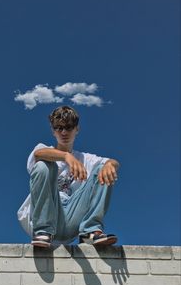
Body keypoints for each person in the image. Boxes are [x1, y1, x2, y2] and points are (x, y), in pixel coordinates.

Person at [18, 105, 120, 248]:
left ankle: (89, 232)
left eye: (69, 127)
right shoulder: (42, 149)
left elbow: (112, 162)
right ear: (53, 131)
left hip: (72, 219)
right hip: (47, 217)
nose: (64, 132)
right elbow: (38, 155)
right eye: (59, 128)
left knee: (102, 169)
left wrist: (110, 165)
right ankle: (43, 231)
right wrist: (66, 156)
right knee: (43, 165)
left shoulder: (86, 158)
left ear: (77, 129)